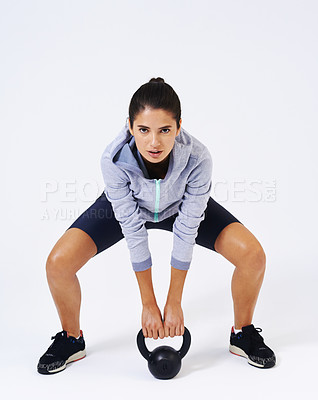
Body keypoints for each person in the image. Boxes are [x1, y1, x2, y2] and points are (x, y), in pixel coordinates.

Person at [37, 77, 276, 375]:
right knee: (57, 263)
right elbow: (133, 231)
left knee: (253, 256)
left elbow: (188, 228)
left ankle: (242, 333)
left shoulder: (198, 157)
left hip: (182, 207)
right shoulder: (113, 159)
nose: (154, 142)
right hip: (127, 206)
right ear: (129, 126)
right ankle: (72, 339)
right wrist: (149, 304)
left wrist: (174, 301)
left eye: (164, 130)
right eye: (143, 130)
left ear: (178, 127)